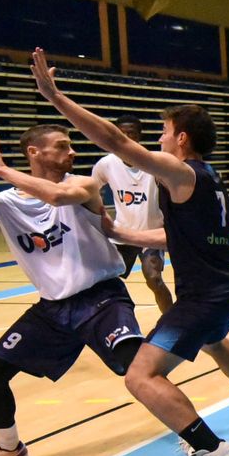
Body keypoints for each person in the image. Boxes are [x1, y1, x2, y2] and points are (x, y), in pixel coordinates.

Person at [29, 49, 229, 456]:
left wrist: (56, 97)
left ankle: (210, 450)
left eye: (163, 132)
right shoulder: (206, 177)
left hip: (207, 292)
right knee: (215, 342)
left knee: (141, 374)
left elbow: (118, 144)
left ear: (181, 139)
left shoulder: (181, 172)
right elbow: (181, 235)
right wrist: (123, 232)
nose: (158, 140)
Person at [0, 124, 142, 456]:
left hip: (101, 296)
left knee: (139, 371)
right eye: (62, 146)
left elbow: (56, 198)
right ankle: (8, 449)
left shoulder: (82, 185)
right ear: (34, 153)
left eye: (71, 145)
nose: (71, 152)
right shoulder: (4, 204)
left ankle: (194, 438)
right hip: (53, 309)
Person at [91, 117, 174, 314]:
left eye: (132, 134)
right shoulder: (106, 164)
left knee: (154, 279)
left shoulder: (153, 161)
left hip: (151, 234)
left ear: (140, 136)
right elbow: (92, 190)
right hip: (122, 233)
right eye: (122, 133)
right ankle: (111, 319)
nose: (127, 138)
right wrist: (98, 214)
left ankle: (171, 321)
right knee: (104, 281)